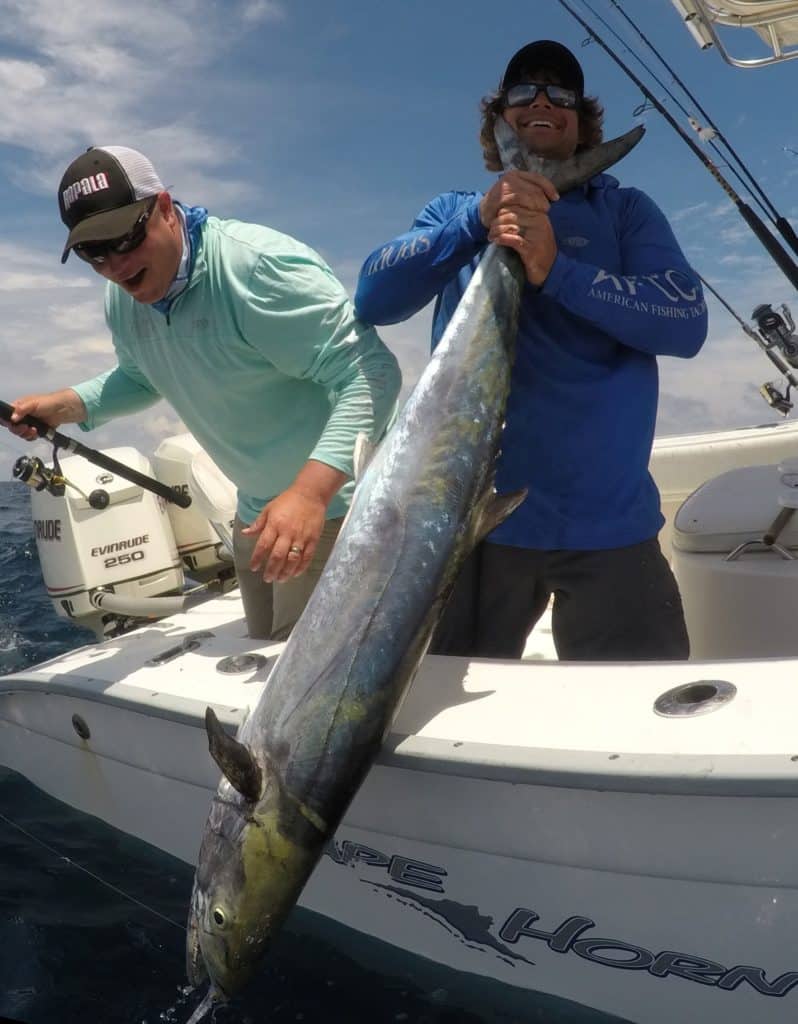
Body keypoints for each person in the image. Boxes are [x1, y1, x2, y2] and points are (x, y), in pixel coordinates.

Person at [354, 40, 708, 662]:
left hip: (608, 525)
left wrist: (558, 271)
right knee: (433, 720)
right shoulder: (453, 215)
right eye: (524, 92)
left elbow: (685, 322)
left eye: (560, 93)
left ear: (581, 120)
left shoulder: (625, 212)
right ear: (502, 118)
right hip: (468, 526)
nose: (543, 101)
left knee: (636, 721)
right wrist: (473, 223)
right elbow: (374, 298)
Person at [4, 145, 401, 640]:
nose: (115, 265)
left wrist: (308, 494)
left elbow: (372, 374)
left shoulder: (257, 270)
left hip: (339, 508)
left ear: (166, 208)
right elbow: (143, 374)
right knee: (264, 656)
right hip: (259, 514)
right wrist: (63, 405)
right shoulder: (125, 298)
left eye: (124, 238)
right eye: (93, 253)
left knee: (316, 694)